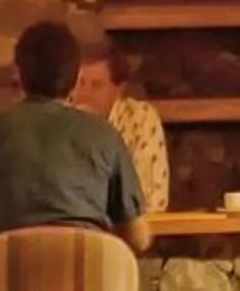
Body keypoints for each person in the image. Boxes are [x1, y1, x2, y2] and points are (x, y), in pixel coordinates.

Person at [0, 20, 153, 253]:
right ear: (74, 80)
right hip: (85, 283)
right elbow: (139, 238)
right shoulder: (104, 136)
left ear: (19, 76)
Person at [70, 20, 170, 215]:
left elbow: (153, 200)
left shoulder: (139, 119)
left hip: (125, 236)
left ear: (118, 90)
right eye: (78, 84)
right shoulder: (58, 119)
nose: (83, 94)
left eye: (96, 85)